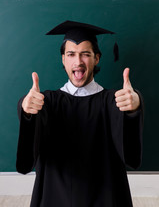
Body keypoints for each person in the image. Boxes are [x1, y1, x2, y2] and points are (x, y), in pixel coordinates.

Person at [16, 20, 143, 207]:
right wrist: (26, 109)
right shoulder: (47, 102)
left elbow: (131, 154)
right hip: (55, 196)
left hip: (106, 197)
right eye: (71, 54)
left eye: (85, 54)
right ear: (63, 60)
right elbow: (31, 134)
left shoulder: (113, 101)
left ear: (96, 58)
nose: (78, 61)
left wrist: (135, 105)